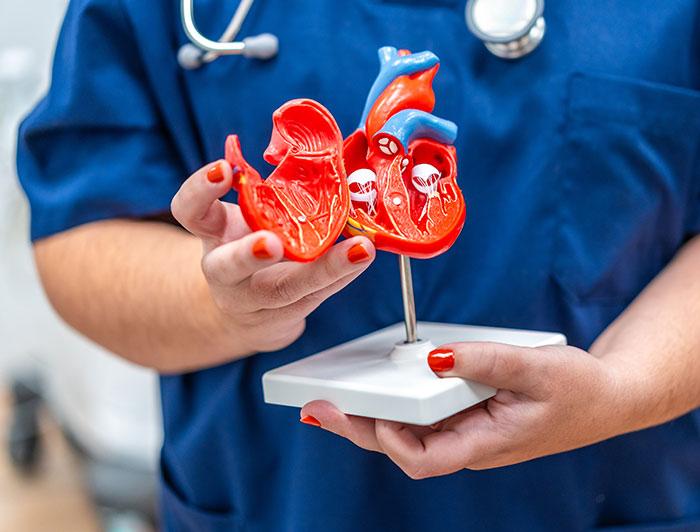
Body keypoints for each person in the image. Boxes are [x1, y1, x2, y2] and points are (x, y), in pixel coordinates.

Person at [17, 0, 700, 530]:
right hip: (279, 500)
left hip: (608, 495)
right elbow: (79, 231)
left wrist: (627, 387)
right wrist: (224, 300)